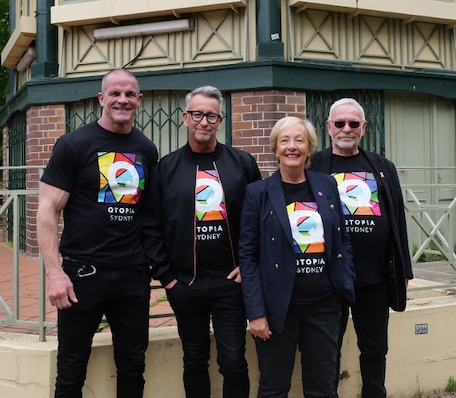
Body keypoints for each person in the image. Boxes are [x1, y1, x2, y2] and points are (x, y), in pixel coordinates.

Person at [36, 68, 160, 398]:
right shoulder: (74, 144)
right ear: (102, 99)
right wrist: (54, 272)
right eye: (115, 94)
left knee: (133, 366)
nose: (123, 100)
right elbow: (48, 209)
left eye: (130, 94)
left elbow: (150, 213)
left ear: (139, 101)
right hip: (82, 276)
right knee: (72, 368)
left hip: (132, 276)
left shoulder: (146, 150)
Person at [143, 85, 262, 398]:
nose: (204, 121)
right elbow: (151, 225)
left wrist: (248, 266)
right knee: (194, 359)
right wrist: (167, 277)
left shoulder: (243, 164)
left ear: (220, 121)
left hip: (230, 284)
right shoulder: (166, 169)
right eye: (197, 114)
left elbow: (260, 221)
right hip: (185, 284)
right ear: (185, 117)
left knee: (234, 361)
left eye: (211, 115)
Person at [238, 116, 355, 398]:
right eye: (285, 141)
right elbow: (248, 254)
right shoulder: (258, 193)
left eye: (299, 140)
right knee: (274, 388)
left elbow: (343, 237)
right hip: (279, 309)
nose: (292, 147)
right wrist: (256, 313)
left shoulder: (327, 185)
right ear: (276, 148)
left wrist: (346, 278)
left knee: (323, 387)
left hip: (325, 306)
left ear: (309, 148)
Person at [310, 98, 414, 398]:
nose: (347, 128)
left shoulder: (382, 167)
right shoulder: (314, 165)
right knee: (327, 351)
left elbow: (397, 218)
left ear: (364, 127)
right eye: (340, 123)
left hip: (375, 278)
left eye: (353, 123)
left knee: (375, 348)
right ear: (329, 126)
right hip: (329, 279)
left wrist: (404, 267)